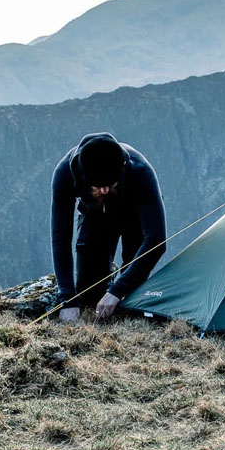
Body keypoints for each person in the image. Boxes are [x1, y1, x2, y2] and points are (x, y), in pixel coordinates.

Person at [51, 132, 166, 322]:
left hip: (135, 214)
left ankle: (124, 294)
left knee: (132, 295)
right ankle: (104, 280)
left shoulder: (141, 171)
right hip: (94, 217)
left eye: (111, 183)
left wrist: (118, 290)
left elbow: (156, 241)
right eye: (97, 185)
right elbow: (60, 236)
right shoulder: (64, 174)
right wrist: (67, 299)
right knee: (89, 293)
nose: (104, 190)